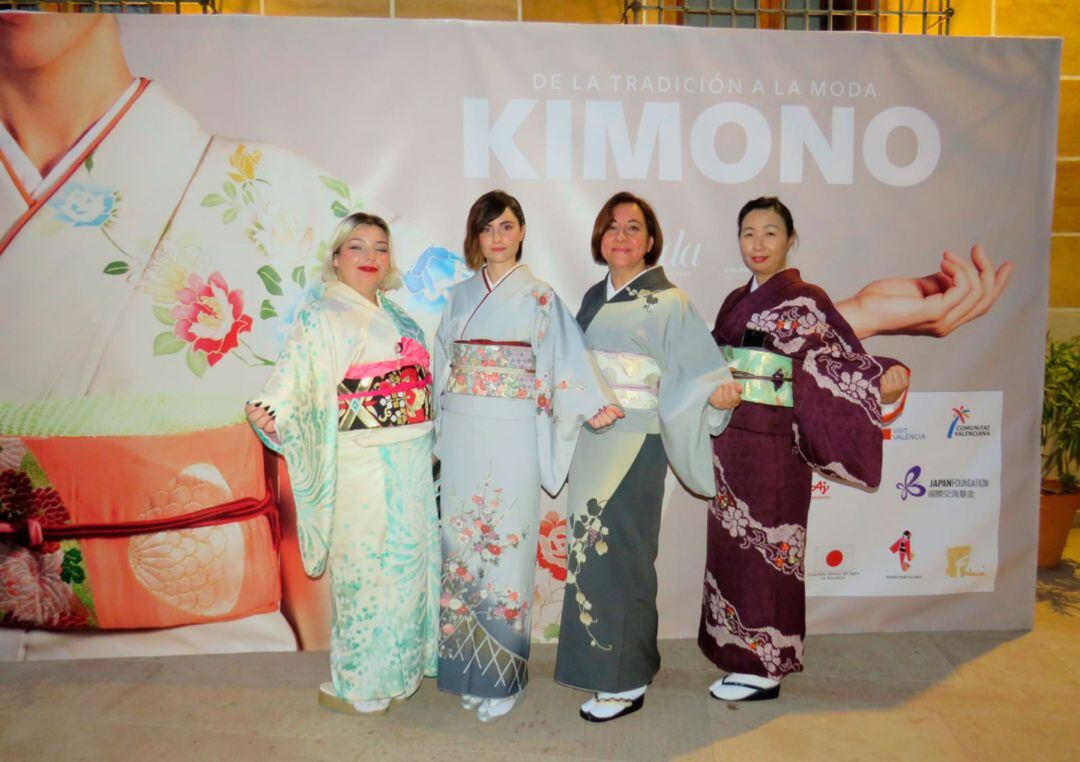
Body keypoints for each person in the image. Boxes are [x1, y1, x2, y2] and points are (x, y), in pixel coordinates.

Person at [699, 196, 910, 702]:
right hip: (730, 443)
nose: (758, 244)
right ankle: (737, 654)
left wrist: (882, 376)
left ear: (790, 239)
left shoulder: (808, 301)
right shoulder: (734, 300)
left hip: (777, 450)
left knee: (772, 555)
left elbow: (842, 362)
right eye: (748, 233)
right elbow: (710, 358)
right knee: (732, 553)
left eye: (770, 233)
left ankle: (766, 668)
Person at [553, 192, 742, 723]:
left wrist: (716, 397)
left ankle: (625, 680)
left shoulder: (670, 302)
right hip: (594, 440)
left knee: (625, 554)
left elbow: (697, 373)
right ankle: (611, 664)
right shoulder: (594, 297)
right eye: (612, 226)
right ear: (600, 236)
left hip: (637, 442)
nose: (621, 236)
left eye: (633, 227)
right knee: (591, 551)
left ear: (651, 240)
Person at [433, 190, 620, 722]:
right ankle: (469, 671)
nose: (498, 237)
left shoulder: (540, 297)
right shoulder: (459, 296)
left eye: (507, 226)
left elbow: (566, 358)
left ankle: (503, 678)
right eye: (488, 227)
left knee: (506, 548)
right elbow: (443, 363)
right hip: (463, 428)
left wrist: (590, 402)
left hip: (513, 431)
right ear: (475, 236)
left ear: (521, 232)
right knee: (462, 549)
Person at [246, 212, 439, 715]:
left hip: (411, 457)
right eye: (357, 246)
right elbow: (296, 382)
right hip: (362, 461)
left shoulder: (402, 318)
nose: (370, 256)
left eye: (380, 247)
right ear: (335, 258)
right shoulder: (321, 316)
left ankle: (401, 671)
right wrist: (273, 410)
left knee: (408, 568)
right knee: (366, 570)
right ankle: (363, 682)